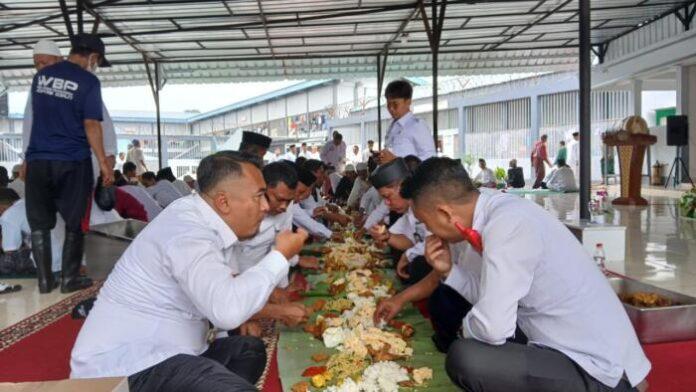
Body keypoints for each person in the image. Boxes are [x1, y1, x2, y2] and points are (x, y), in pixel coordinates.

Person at [379, 157, 650, 392]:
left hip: (601, 370)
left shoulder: (507, 224)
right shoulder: (487, 213)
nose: (430, 233)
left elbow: (493, 326)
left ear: (445, 213)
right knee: (474, 326)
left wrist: (467, 327)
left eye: (427, 223)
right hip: (558, 344)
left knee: (466, 357)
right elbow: (487, 297)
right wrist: (448, 271)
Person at [70, 152, 309, 391]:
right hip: (130, 365)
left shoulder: (205, 220)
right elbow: (227, 311)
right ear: (223, 202)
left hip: (176, 350)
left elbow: (227, 285)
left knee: (249, 351)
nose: (266, 206)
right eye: (259, 197)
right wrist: (279, 257)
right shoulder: (188, 233)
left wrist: (271, 293)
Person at [25, 33, 113, 294]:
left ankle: (44, 281)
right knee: (75, 223)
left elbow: (35, 118)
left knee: (40, 223)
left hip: (39, 159)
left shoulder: (41, 78)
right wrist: (104, 163)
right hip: (72, 161)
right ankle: (68, 279)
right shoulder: (88, 81)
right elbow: (91, 125)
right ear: (93, 57)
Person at [232, 161, 320, 276]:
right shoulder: (240, 211)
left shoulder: (286, 207)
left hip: (269, 271)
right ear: (262, 189)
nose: (284, 207)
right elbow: (233, 260)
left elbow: (281, 246)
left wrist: (283, 284)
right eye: (279, 199)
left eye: (289, 201)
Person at [0, 188, 64, 277]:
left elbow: (10, 249)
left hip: (50, 260)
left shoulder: (9, 215)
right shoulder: (31, 202)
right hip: (70, 253)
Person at [379, 80, 436, 163]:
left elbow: (430, 159)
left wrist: (396, 161)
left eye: (395, 104)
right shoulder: (392, 127)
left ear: (408, 102)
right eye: (388, 104)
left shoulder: (417, 126)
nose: (391, 108)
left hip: (412, 176)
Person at [290, 168, 335, 241]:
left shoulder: (293, 201)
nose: (308, 193)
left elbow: (298, 213)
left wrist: (312, 212)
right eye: (301, 192)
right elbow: (305, 221)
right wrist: (330, 234)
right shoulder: (292, 200)